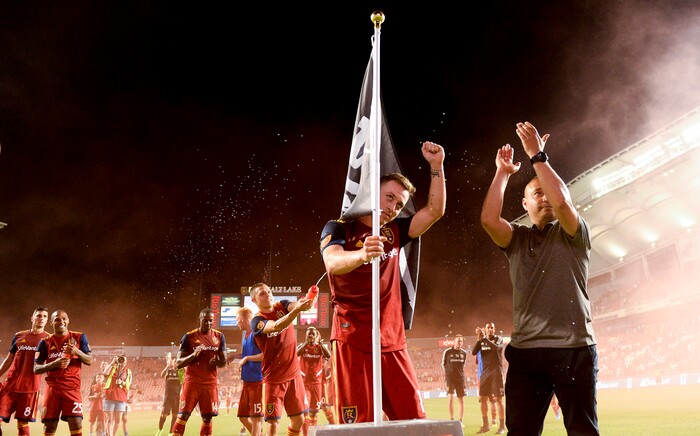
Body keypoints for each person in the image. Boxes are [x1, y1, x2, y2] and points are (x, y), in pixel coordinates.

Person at [480, 121, 599, 435]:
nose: (545, 197)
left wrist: (538, 156)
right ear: (525, 204)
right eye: (537, 193)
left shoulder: (575, 232)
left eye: (548, 190)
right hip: (526, 353)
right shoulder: (517, 239)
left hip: (573, 348)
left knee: (583, 431)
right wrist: (502, 173)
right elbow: (489, 220)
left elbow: (562, 202)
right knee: (520, 432)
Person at [320, 141, 446, 423]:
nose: (393, 207)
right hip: (352, 340)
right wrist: (363, 254)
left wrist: (436, 168)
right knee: (357, 426)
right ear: (371, 192)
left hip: (392, 341)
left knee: (415, 422)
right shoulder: (339, 227)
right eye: (389, 198)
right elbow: (333, 262)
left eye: (399, 204)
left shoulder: (396, 231)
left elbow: (434, 212)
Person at [250, 283, 314, 436]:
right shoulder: (257, 321)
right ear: (253, 300)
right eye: (262, 294)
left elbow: (297, 305)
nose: (267, 295)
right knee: (272, 424)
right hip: (274, 377)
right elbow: (276, 326)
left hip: (294, 374)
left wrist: (307, 301)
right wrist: (297, 310)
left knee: (298, 419)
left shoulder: (282, 305)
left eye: (268, 291)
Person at [33, 309, 93, 436]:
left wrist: (76, 352)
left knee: (76, 422)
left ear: (68, 320)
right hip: (52, 389)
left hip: (72, 389)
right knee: (49, 426)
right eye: (57, 319)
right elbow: (36, 369)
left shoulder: (79, 337)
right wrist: (55, 363)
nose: (61, 322)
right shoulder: (45, 342)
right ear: (51, 323)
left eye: (64, 318)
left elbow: (90, 360)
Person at [171, 308, 227, 436]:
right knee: (183, 415)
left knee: (207, 418)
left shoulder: (219, 336)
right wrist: (193, 355)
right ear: (199, 320)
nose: (207, 323)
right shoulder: (189, 337)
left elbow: (223, 362)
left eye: (210, 321)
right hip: (192, 383)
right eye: (205, 320)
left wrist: (216, 362)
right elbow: (178, 363)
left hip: (210, 384)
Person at [0, 307, 50, 436]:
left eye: (45, 316)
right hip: (10, 385)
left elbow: (51, 364)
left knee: (22, 424)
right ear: (32, 318)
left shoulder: (49, 339)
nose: (41, 318)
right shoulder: (19, 335)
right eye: (39, 315)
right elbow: (9, 358)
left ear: (47, 321)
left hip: (30, 389)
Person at [296, 326, 332, 434]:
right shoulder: (302, 347)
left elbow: (328, 355)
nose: (311, 336)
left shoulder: (319, 347)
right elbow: (297, 353)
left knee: (314, 412)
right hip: (304, 383)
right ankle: (306, 434)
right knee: (304, 410)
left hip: (317, 383)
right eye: (309, 334)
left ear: (316, 336)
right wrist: (305, 343)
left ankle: (312, 432)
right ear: (306, 335)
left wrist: (320, 343)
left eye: (313, 334)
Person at [472, 323, 505, 434]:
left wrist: (484, 338)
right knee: (483, 398)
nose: (490, 329)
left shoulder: (499, 339)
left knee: (499, 399)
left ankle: (501, 426)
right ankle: (485, 425)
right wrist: (479, 338)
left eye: (492, 327)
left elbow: (496, 348)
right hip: (485, 372)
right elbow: (473, 352)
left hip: (496, 371)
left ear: (494, 329)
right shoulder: (482, 341)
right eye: (488, 328)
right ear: (485, 330)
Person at [235, 306, 263, 436]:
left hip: (257, 381)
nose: (236, 323)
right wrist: (234, 356)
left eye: (237, 320)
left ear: (244, 319)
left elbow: (265, 355)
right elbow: (247, 353)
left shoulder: (256, 333)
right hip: (247, 381)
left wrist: (246, 358)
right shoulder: (245, 335)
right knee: (242, 417)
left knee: (256, 418)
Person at [103, 355, 133, 436]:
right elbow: (105, 373)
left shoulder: (128, 372)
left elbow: (129, 384)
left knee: (118, 420)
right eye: (121, 359)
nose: (122, 361)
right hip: (109, 396)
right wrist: (112, 363)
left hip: (121, 397)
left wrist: (122, 383)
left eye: (124, 360)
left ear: (126, 362)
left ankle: (113, 434)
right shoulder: (113, 368)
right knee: (109, 419)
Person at [441, 334, 467, 424]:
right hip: (450, 379)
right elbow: (443, 364)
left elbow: (463, 365)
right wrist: (447, 374)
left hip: (460, 379)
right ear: (454, 341)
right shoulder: (447, 352)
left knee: (461, 400)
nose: (460, 342)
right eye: (458, 341)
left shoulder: (464, 353)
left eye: (461, 341)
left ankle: (460, 421)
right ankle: (451, 419)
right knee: (451, 398)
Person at [156, 353, 183, 436]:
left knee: (175, 415)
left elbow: (185, 373)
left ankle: (171, 432)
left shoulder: (181, 372)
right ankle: (160, 429)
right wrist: (167, 366)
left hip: (176, 398)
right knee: (163, 415)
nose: (175, 363)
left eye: (177, 362)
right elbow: (162, 375)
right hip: (167, 398)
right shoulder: (169, 371)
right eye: (174, 361)